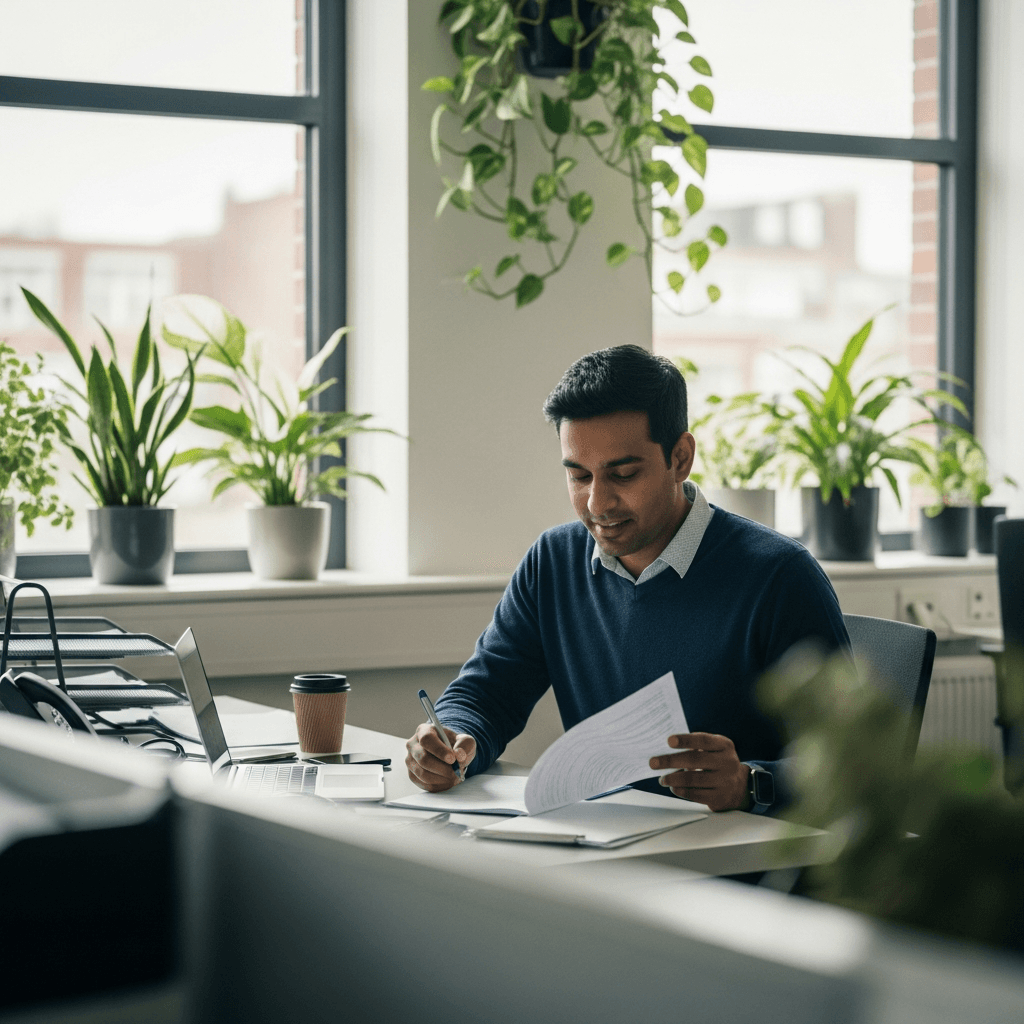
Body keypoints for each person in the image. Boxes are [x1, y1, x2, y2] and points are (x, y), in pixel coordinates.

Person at [405, 345, 850, 814]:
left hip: (734, 870)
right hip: (605, 852)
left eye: (623, 474)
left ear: (680, 458)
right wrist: (450, 739)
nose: (598, 502)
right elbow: (486, 692)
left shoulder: (778, 577)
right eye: (579, 476)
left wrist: (749, 783)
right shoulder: (553, 562)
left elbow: (852, 764)